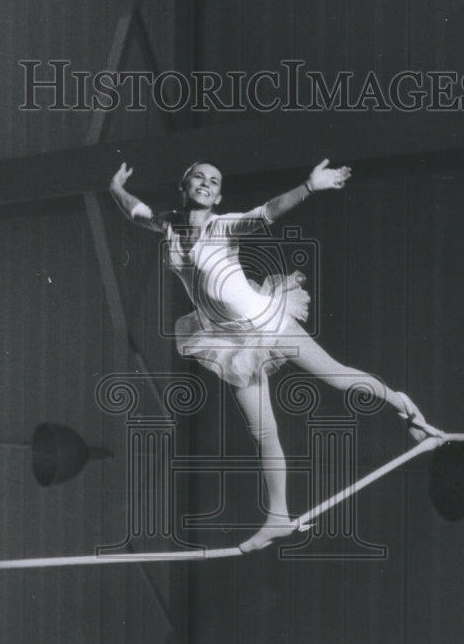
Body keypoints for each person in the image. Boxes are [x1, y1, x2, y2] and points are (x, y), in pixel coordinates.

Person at [110, 158, 443, 552]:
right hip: (229, 341)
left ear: (218, 196)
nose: (205, 183)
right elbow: (136, 212)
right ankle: (278, 517)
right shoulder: (168, 224)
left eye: (214, 181)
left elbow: (266, 213)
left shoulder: (224, 225)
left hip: (268, 322)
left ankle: (405, 406)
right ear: (184, 187)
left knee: (335, 376)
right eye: (198, 177)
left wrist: (309, 186)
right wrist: (116, 187)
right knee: (261, 431)